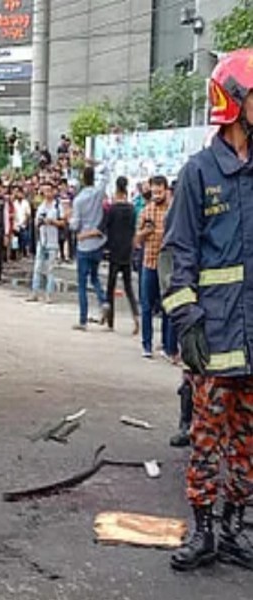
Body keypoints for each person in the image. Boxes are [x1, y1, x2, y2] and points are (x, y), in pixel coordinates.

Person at [162, 49, 253, 572]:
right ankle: (204, 532)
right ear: (236, 104)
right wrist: (187, 321)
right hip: (213, 339)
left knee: (246, 443)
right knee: (206, 440)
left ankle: (236, 528)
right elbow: (177, 256)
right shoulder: (199, 173)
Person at [135, 175, 177, 360]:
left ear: (166, 191)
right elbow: (136, 240)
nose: (157, 195)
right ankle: (146, 345)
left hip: (167, 267)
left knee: (168, 306)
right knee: (146, 306)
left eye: (160, 191)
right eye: (154, 191)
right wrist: (145, 232)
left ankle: (168, 347)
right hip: (149, 263)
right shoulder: (146, 211)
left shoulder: (173, 211)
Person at [70, 163, 111, 331]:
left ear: (82, 179)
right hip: (98, 242)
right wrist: (97, 164)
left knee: (82, 283)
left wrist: (69, 222)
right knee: (94, 277)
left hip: (84, 243)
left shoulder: (78, 200)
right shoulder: (98, 192)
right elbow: (106, 174)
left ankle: (83, 319)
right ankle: (103, 300)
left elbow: (75, 224)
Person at [100, 176, 140, 334]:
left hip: (114, 250)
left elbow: (104, 227)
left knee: (111, 286)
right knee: (128, 286)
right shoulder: (131, 209)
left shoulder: (112, 209)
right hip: (127, 251)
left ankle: (110, 322)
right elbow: (133, 229)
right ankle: (136, 316)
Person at [26, 181, 62, 303]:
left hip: (53, 240)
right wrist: (40, 222)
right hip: (42, 240)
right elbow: (36, 222)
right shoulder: (41, 206)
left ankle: (49, 295)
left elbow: (63, 222)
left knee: (50, 269)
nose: (46, 193)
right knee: (37, 268)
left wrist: (51, 221)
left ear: (53, 192)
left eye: (48, 190)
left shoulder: (57, 206)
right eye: (44, 191)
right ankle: (34, 292)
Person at [13, 189, 32, 259]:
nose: (19, 195)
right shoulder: (14, 203)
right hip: (16, 224)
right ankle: (17, 253)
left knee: (25, 238)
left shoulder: (26, 203)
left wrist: (25, 222)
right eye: (18, 194)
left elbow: (28, 214)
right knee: (16, 240)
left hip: (23, 223)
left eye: (21, 194)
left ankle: (26, 252)